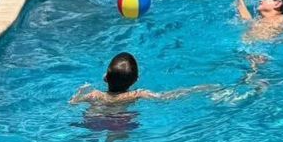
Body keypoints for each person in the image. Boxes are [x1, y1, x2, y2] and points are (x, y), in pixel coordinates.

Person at [69, 52, 214, 106]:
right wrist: (200, 89)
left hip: (95, 120)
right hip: (120, 123)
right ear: (136, 79)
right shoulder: (136, 95)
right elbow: (165, 97)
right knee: (112, 138)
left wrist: (78, 94)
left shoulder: (94, 95)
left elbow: (72, 103)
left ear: (105, 78)